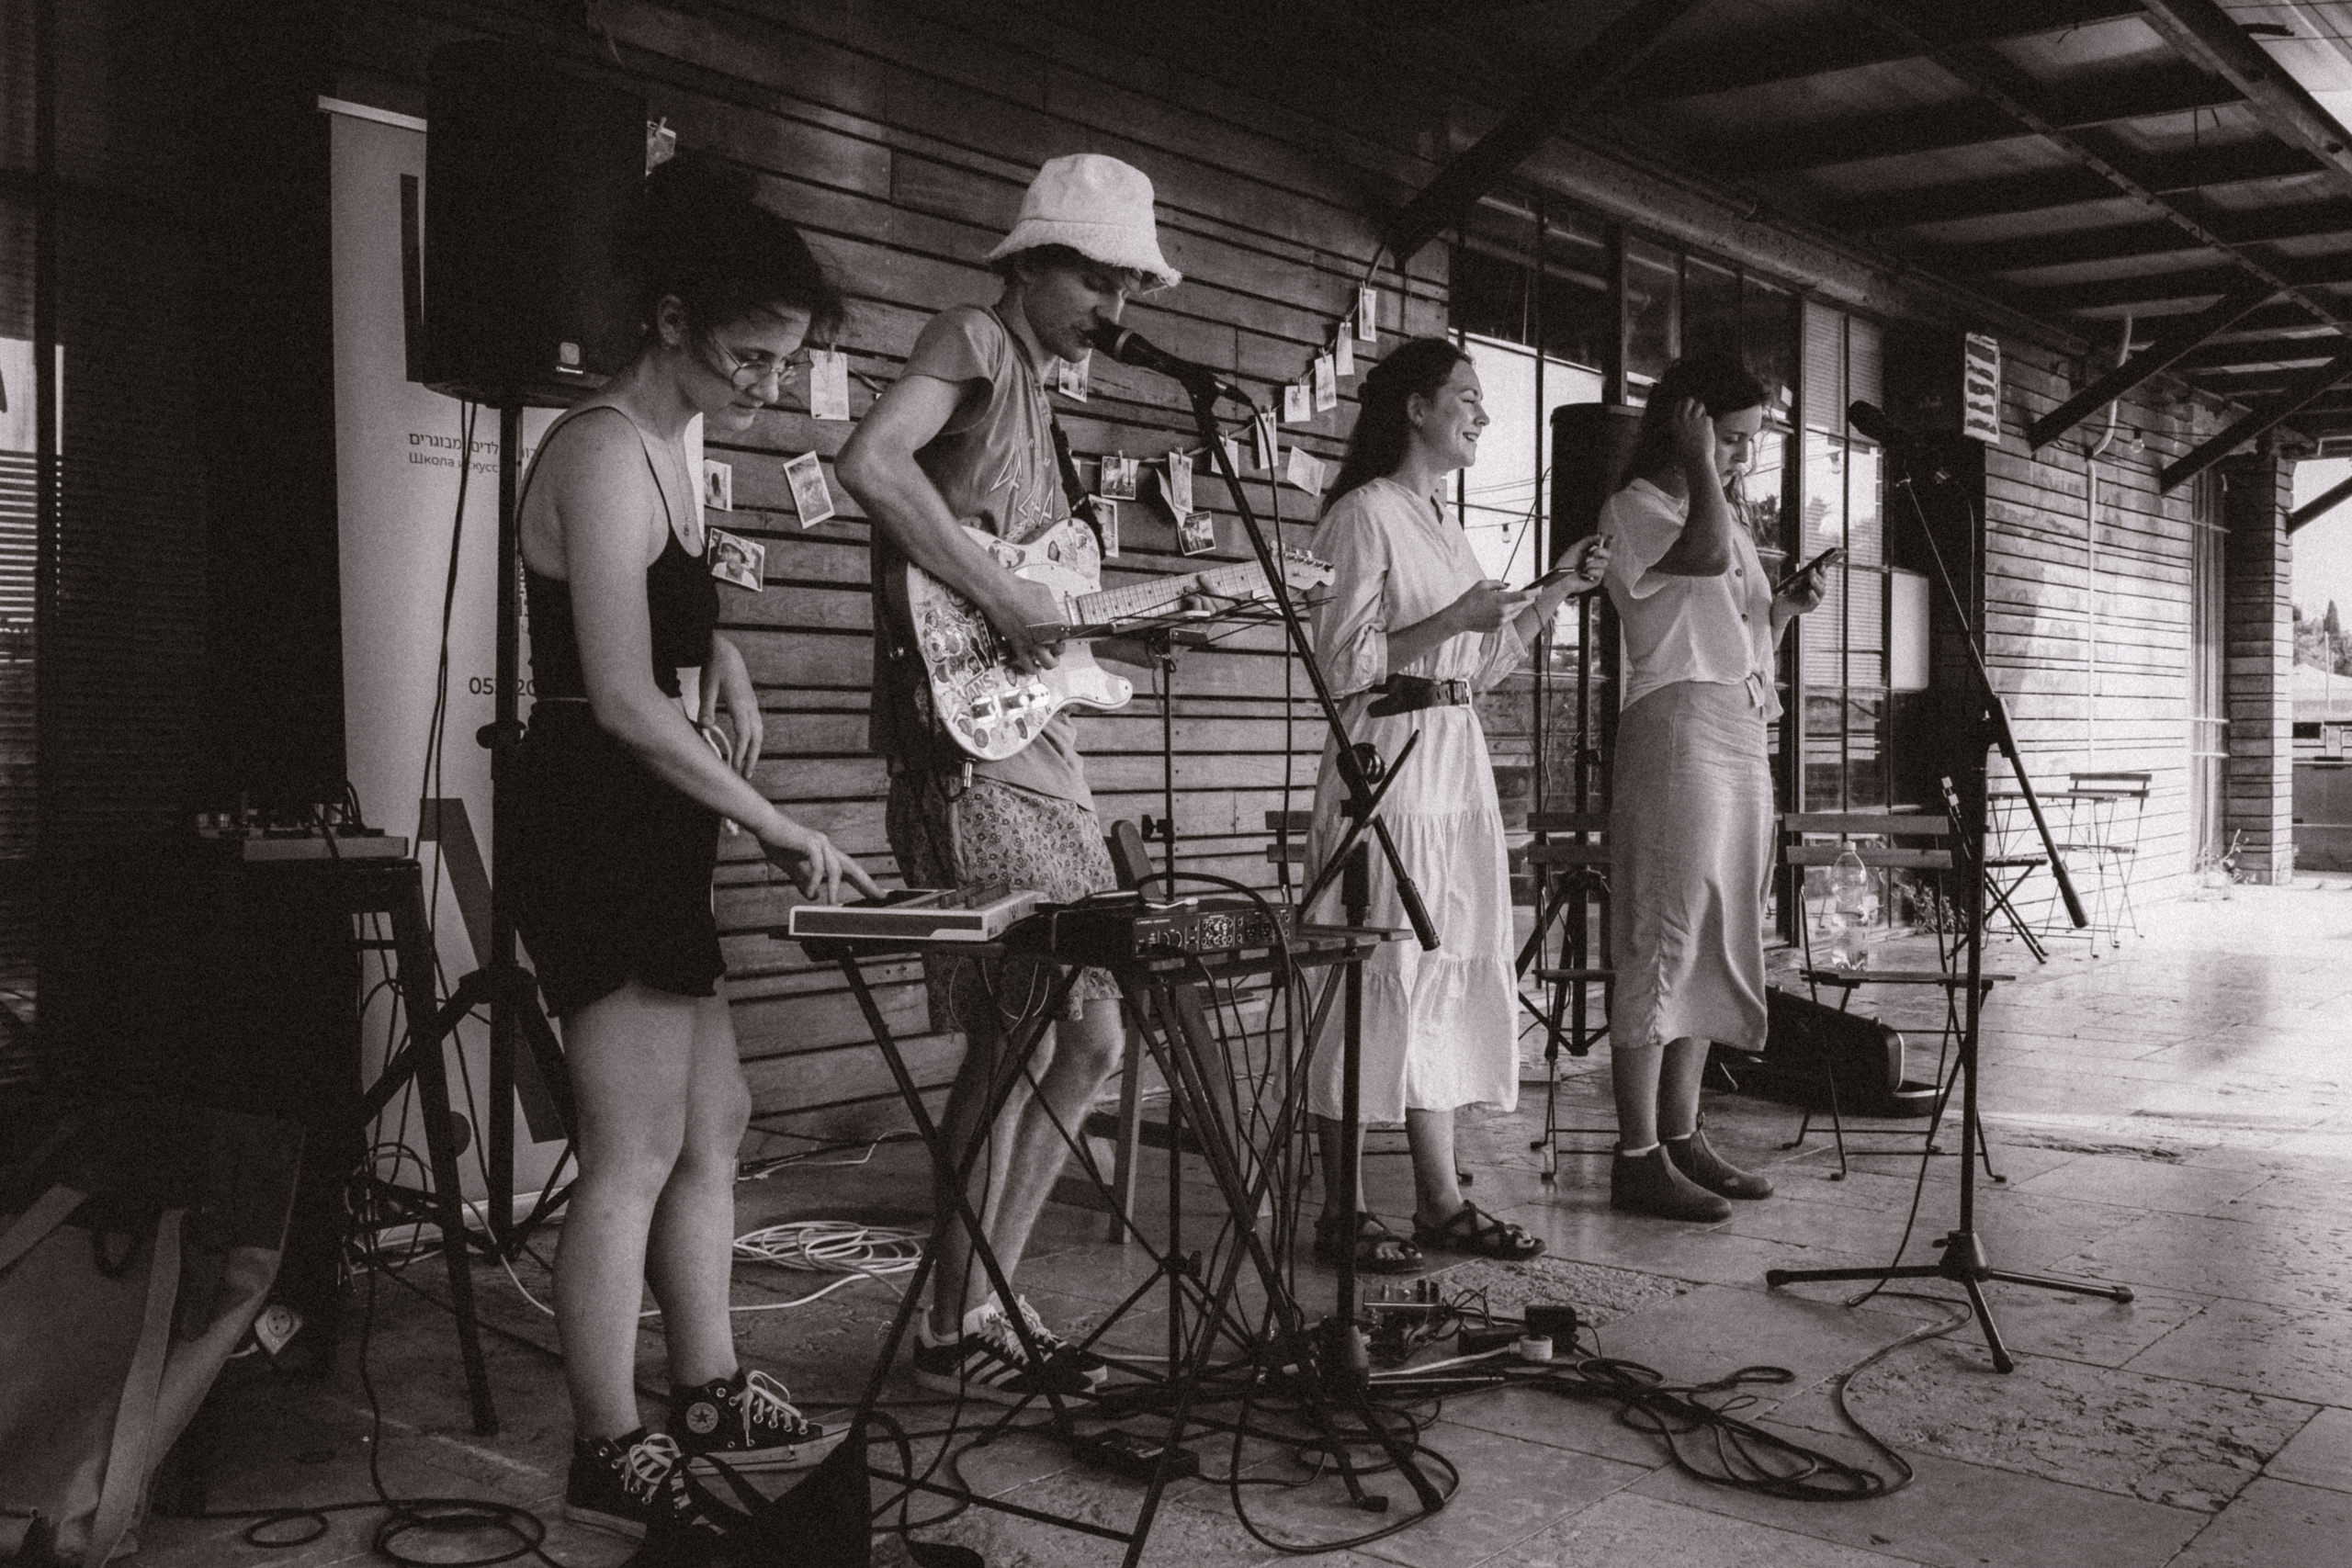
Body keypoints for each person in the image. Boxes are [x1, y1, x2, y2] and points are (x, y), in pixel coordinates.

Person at [508, 156, 882, 1540]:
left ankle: (708, 1380)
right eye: (751, 357)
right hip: (598, 814)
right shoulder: (602, 448)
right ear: (671, 320)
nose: (768, 387)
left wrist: (724, 654)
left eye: (787, 365)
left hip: (652, 812)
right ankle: (608, 1437)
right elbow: (612, 693)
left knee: (712, 1121)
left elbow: (662, 620)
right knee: (631, 1145)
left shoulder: (680, 447)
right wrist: (778, 821)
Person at [835, 153, 1178, 1401]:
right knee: (1061, 1021)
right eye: (1096, 275)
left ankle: (972, 1305)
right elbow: (868, 462)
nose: (1115, 306)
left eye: (1129, 283)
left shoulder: (1040, 397)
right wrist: (1004, 595)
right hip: (969, 755)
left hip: (1038, 745)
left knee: (1065, 1032)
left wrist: (1144, 623)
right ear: (1030, 261)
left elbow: (1042, 604)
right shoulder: (974, 337)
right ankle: (958, 1316)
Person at [1303, 338, 1609, 1273]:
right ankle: (1341, 1210)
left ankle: (1440, 1201)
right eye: (1466, 398)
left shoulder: (1442, 520)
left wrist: (1551, 590)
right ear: (1415, 407)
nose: (1481, 415)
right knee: (1370, 968)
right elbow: (1339, 663)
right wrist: (1451, 622)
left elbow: (1476, 664)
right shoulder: (1362, 515)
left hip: (1450, 760)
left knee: (1435, 966)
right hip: (1383, 760)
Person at [1596, 353, 1824, 1222]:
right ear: (1686, 426)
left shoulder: (1712, 505)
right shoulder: (1637, 507)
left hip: (1736, 725)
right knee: (1666, 931)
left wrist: (1786, 610)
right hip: (1676, 729)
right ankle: (1636, 1153)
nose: (1740, 459)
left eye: (1746, 445)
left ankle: (1683, 1132)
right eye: (1730, 440)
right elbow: (1700, 556)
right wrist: (1698, 464)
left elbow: (1737, 626)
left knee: (1721, 930)